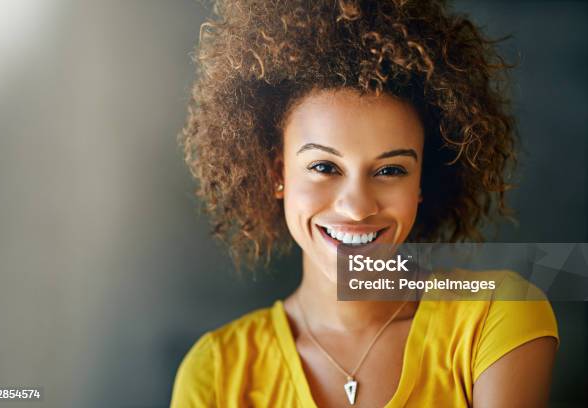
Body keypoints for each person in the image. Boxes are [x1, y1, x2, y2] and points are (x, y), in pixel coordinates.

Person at [171, 0, 559, 406]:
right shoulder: (216, 372)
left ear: (423, 181)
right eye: (324, 166)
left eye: (391, 170)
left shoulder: (495, 317)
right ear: (277, 174)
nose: (357, 207)